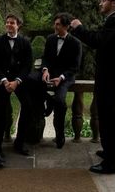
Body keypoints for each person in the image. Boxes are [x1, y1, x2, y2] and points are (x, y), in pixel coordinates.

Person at [71, 0, 115, 174]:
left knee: (108, 120)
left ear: (113, 3)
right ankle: (109, 153)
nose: (100, 2)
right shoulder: (112, 20)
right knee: (106, 118)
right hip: (109, 80)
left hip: (110, 82)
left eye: (103, 0)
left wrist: (79, 28)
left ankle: (111, 163)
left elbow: (97, 41)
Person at [0, 14, 32, 168]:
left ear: (18, 25)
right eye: (7, 22)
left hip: (19, 82)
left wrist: (17, 81)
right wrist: (4, 80)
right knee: (0, 115)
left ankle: (19, 143)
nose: (8, 25)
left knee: (28, 106)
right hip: (1, 82)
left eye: (12, 23)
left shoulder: (25, 42)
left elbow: (28, 65)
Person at [34, 12, 82, 148]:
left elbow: (75, 67)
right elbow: (46, 58)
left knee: (60, 101)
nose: (55, 27)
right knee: (32, 83)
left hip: (65, 77)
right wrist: (45, 70)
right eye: (54, 24)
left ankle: (60, 135)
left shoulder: (76, 43)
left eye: (58, 24)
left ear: (66, 26)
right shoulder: (50, 39)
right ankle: (49, 102)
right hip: (49, 75)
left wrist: (61, 78)